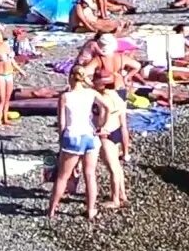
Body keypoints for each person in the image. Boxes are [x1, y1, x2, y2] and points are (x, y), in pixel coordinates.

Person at [48, 66, 107, 220]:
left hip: (73, 136)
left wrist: (61, 140)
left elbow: (61, 122)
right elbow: (106, 107)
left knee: (63, 176)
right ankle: (90, 210)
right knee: (90, 174)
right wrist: (101, 124)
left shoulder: (65, 96)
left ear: (70, 77)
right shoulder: (91, 93)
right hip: (89, 135)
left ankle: (52, 209)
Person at [95, 75, 129, 209]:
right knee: (117, 167)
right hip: (116, 132)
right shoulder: (119, 97)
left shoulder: (103, 99)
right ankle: (122, 194)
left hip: (106, 133)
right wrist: (126, 149)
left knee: (113, 169)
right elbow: (123, 123)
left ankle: (115, 199)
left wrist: (99, 128)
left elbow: (103, 117)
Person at [0, 27, 24, 129]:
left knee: (8, 98)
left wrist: (20, 70)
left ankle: (5, 119)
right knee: (1, 99)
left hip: (9, 74)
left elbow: (12, 61)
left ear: (1, 35)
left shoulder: (7, 45)